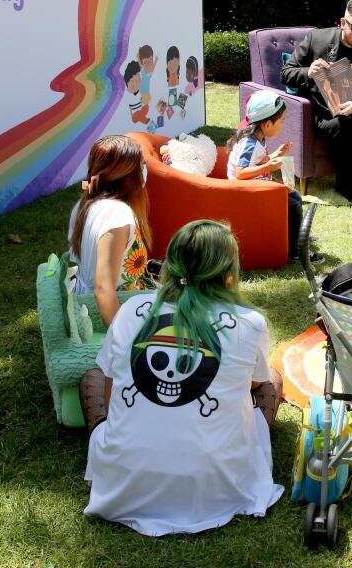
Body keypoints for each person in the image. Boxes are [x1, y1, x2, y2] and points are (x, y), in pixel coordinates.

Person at [83, 219, 284, 536]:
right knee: (272, 377)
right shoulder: (249, 322)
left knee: (92, 378)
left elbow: (110, 398)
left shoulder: (132, 308)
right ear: (228, 273)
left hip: (126, 481)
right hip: (216, 486)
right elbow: (256, 385)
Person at [280, 0, 352, 203]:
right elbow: (286, 73)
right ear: (343, 22)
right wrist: (308, 72)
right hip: (324, 110)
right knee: (343, 125)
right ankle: (345, 183)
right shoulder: (316, 40)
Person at [68, 134, 152, 328]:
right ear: (129, 176)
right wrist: (120, 343)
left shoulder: (86, 203)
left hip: (88, 301)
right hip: (111, 310)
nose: (144, 170)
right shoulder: (118, 217)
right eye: (142, 165)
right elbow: (103, 289)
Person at [226, 91, 318, 265]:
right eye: (281, 121)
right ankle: (296, 252)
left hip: (252, 184)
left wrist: (277, 153)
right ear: (268, 124)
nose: (283, 124)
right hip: (243, 191)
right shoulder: (250, 143)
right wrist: (268, 167)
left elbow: (257, 161)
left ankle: (296, 235)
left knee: (295, 196)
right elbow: (240, 172)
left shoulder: (258, 137)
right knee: (291, 203)